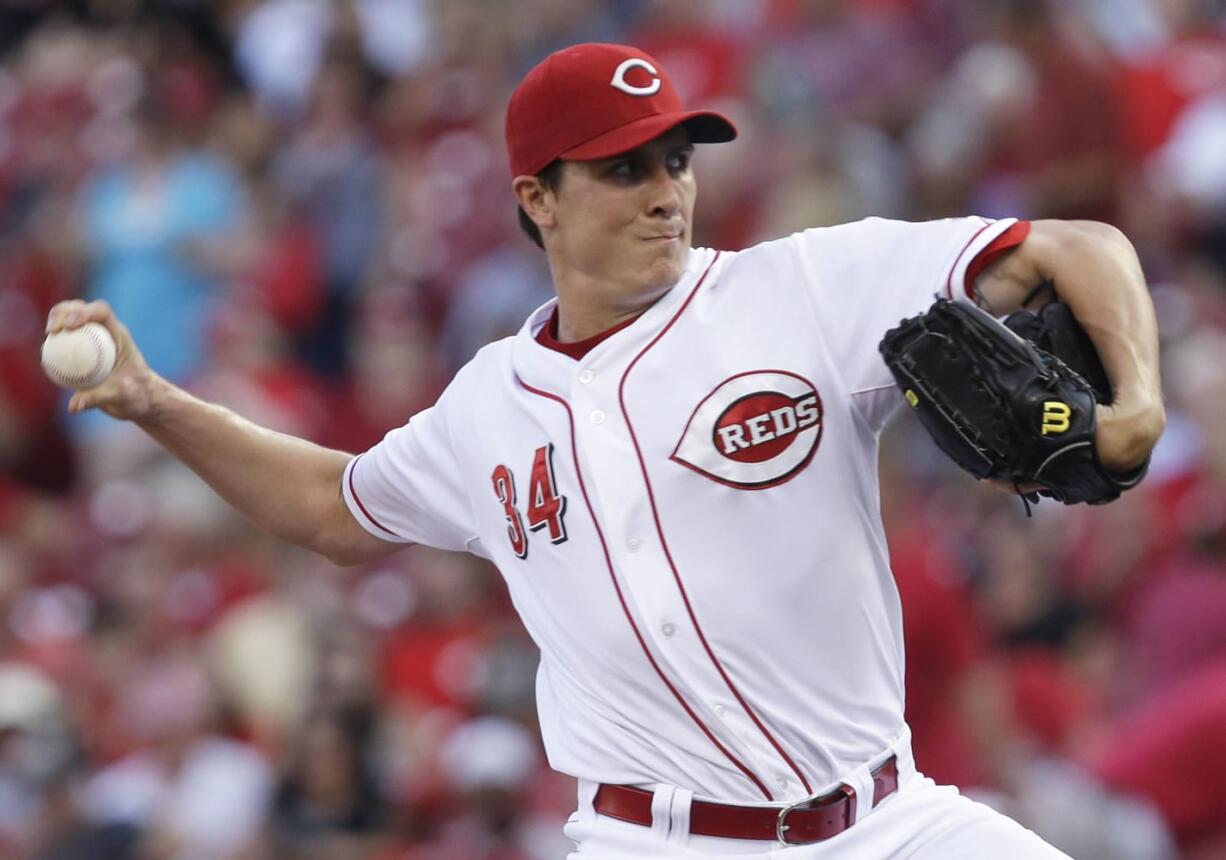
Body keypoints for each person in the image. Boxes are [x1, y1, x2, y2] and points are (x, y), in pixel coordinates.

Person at [46, 43, 1164, 859]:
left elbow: (1076, 246)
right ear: (537, 198)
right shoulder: (487, 405)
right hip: (656, 840)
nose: (666, 191)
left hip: (887, 818)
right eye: (625, 169)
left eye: (675, 158)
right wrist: (154, 401)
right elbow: (333, 505)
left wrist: (1136, 404)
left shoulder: (803, 286)